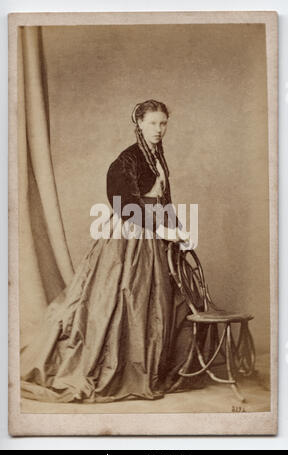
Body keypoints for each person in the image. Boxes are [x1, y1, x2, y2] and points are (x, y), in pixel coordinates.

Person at [20, 99, 203, 404]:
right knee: (125, 299)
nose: (159, 129)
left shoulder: (157, 155)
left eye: (163, 123)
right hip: (130, 238)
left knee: (163, 301)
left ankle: (154, 365)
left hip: (156, 234)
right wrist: (162, 230)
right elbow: (126, 205)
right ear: (140, 124)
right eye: (153, 123)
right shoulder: (126, 160)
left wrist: (178, 229)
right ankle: (122, 368)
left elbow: (164, 199)